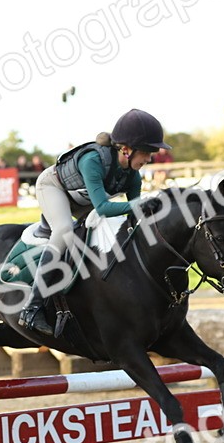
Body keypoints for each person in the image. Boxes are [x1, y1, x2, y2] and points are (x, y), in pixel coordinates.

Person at [18, 108, 169, 336]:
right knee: (64, 230)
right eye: (146, 153)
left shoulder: (133, 176)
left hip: (82, 196)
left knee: (108, 231)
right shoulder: (93, 161)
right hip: (54, 187)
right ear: (126, 150)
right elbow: (104, 207)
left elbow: (133, 216)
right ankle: (32, 308)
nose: (149, 159)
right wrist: (140, 204)